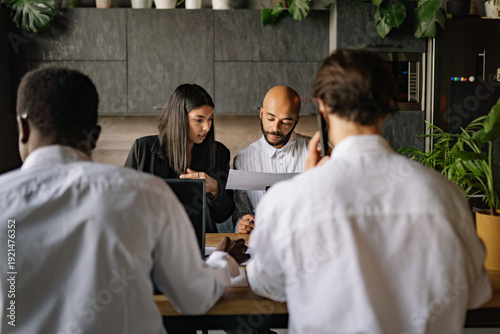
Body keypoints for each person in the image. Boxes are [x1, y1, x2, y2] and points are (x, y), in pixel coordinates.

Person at [246, 49, 492, 333]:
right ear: (389, 106)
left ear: (322, 108)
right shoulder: (446, 194)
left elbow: (267, 283)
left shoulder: (288, 200)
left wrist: (308, 186)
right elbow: (476, 292)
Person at [0, 67, 249, 334]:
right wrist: (223, 263)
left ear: (22, 128)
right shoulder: (148, 192)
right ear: (93, 137)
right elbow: (194, 296)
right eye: (199, 119)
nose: (206, 127)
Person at [125, 84, 234, 233]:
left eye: (210, 119)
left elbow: (222, 216)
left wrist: (215, 189)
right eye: (199, 120)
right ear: (179, 118)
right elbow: (123, 203)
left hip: (201, 245)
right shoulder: (142, 149)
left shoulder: (219, 153)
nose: (207, 127)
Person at [233, 85, 309, 234]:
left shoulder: (316, 152)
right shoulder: (242, 160)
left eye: (286, 122)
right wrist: (240, 225)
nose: (275, 128)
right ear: (261, 113)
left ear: (296, 121)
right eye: (270, 118)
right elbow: (240, 213)